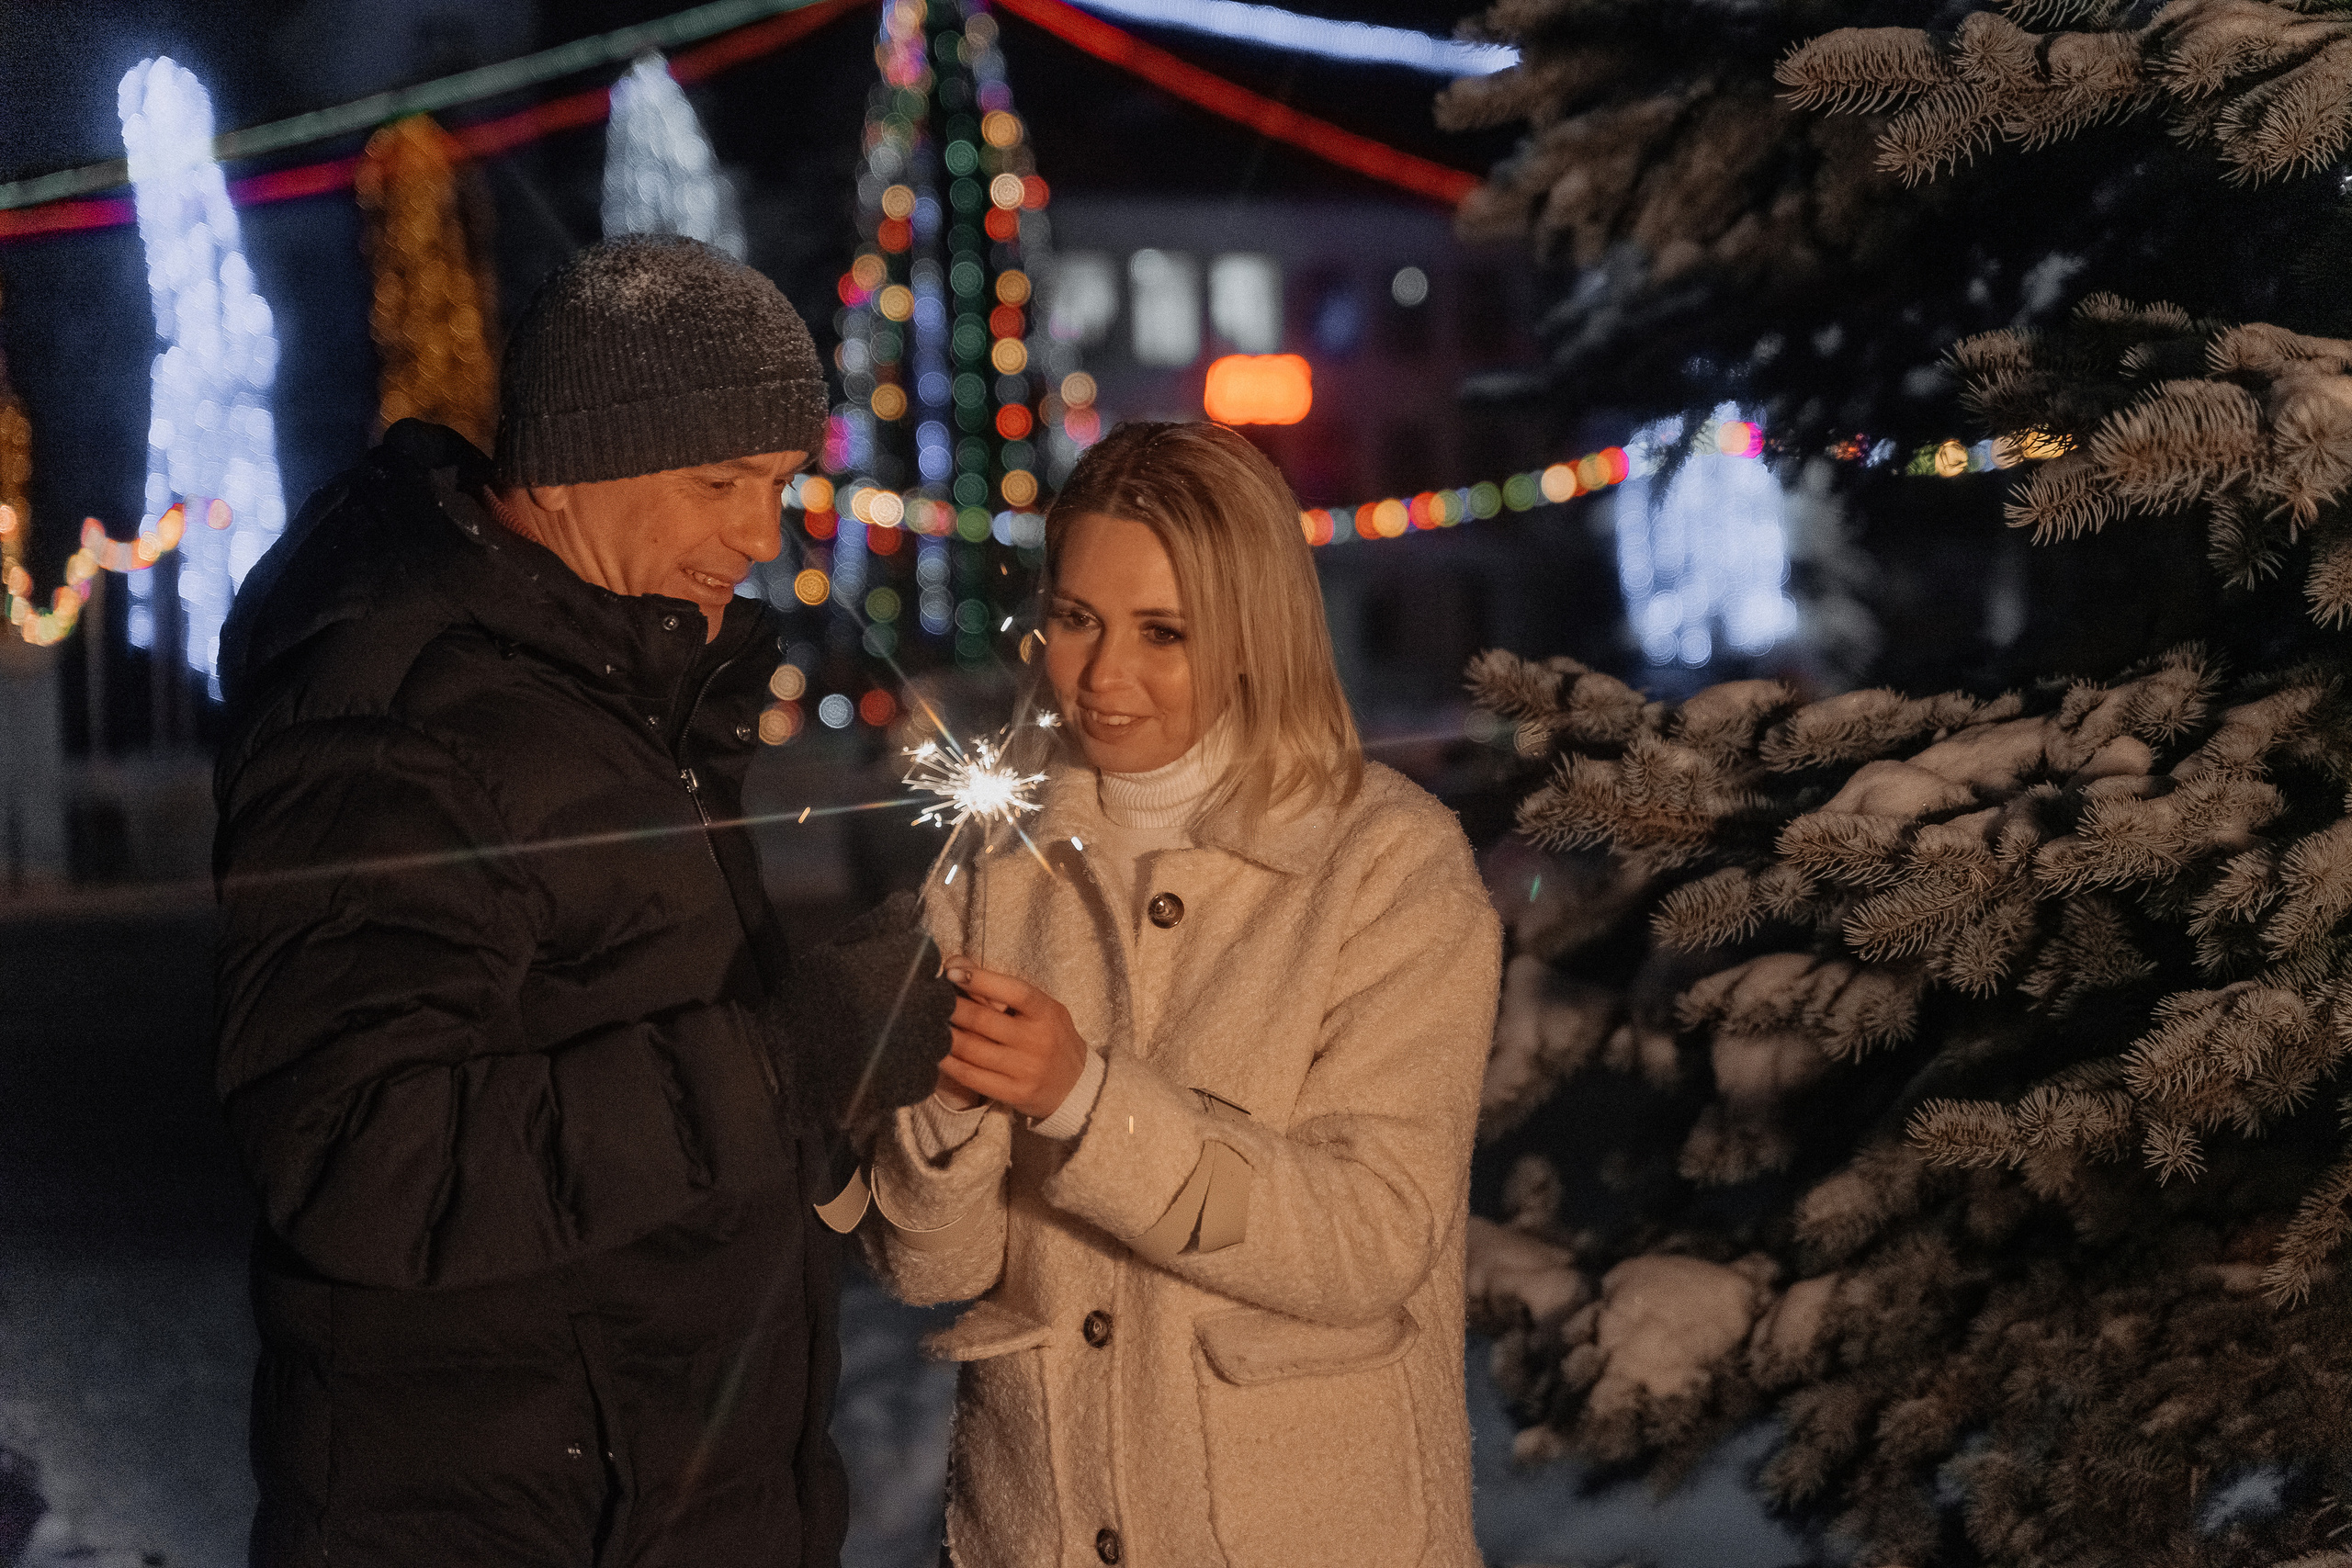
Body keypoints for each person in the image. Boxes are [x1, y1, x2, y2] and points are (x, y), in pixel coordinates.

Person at [212, 235, 950, 1567]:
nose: (756, 536)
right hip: (506, 1518)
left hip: (663, 1495)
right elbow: (355, 1157)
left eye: (777, 485)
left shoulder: (613, 690)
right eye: (717, 481)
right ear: (569, 463)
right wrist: (784, 1058)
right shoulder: (407, 716)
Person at [862, 422, 1504, 1568]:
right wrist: (946, 1114)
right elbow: (925, 1269)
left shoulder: (1385, 864)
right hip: (1041, 1532)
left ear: (1256, 632)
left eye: (1165, 632)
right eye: (1075, 620)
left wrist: (1082, 1103)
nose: (1103, 677)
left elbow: (1371, 1238)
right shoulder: (992, 857)